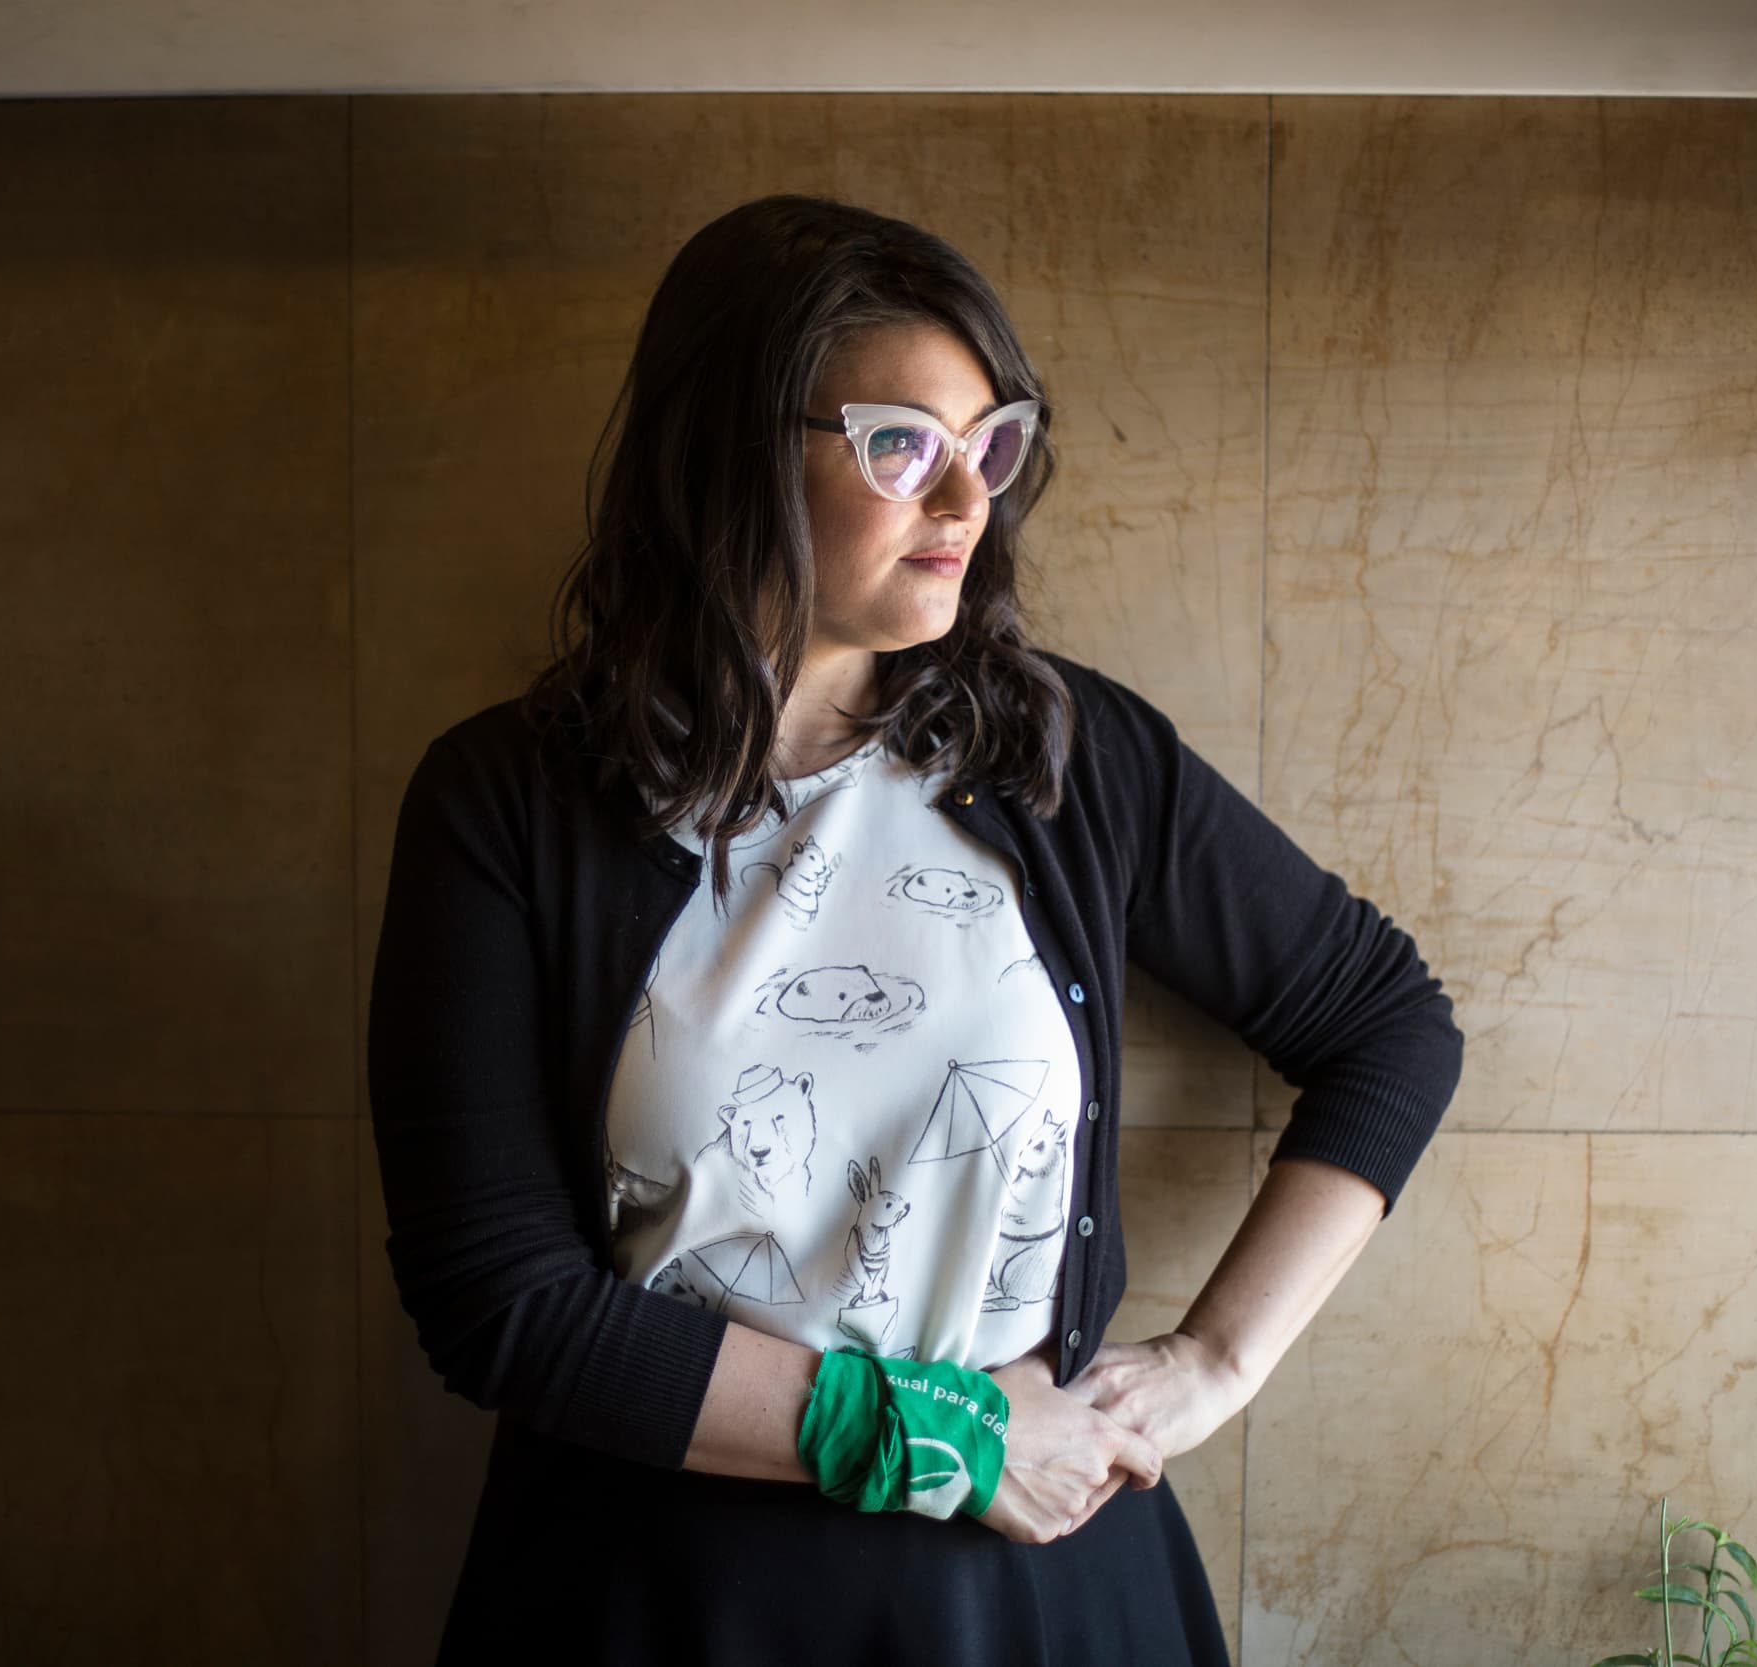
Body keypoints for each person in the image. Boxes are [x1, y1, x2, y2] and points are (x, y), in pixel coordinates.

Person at [366, 193, 1464, 1666]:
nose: (970, 506)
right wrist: (935, 1440)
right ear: (732, 454)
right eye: (902, 445)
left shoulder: (1067, 759)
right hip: (661, 1590)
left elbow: (1387, 1027)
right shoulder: (505, 802)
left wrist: (1212, 1361)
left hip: (1035, 1586)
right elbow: (495, 1300)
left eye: (991, 446)